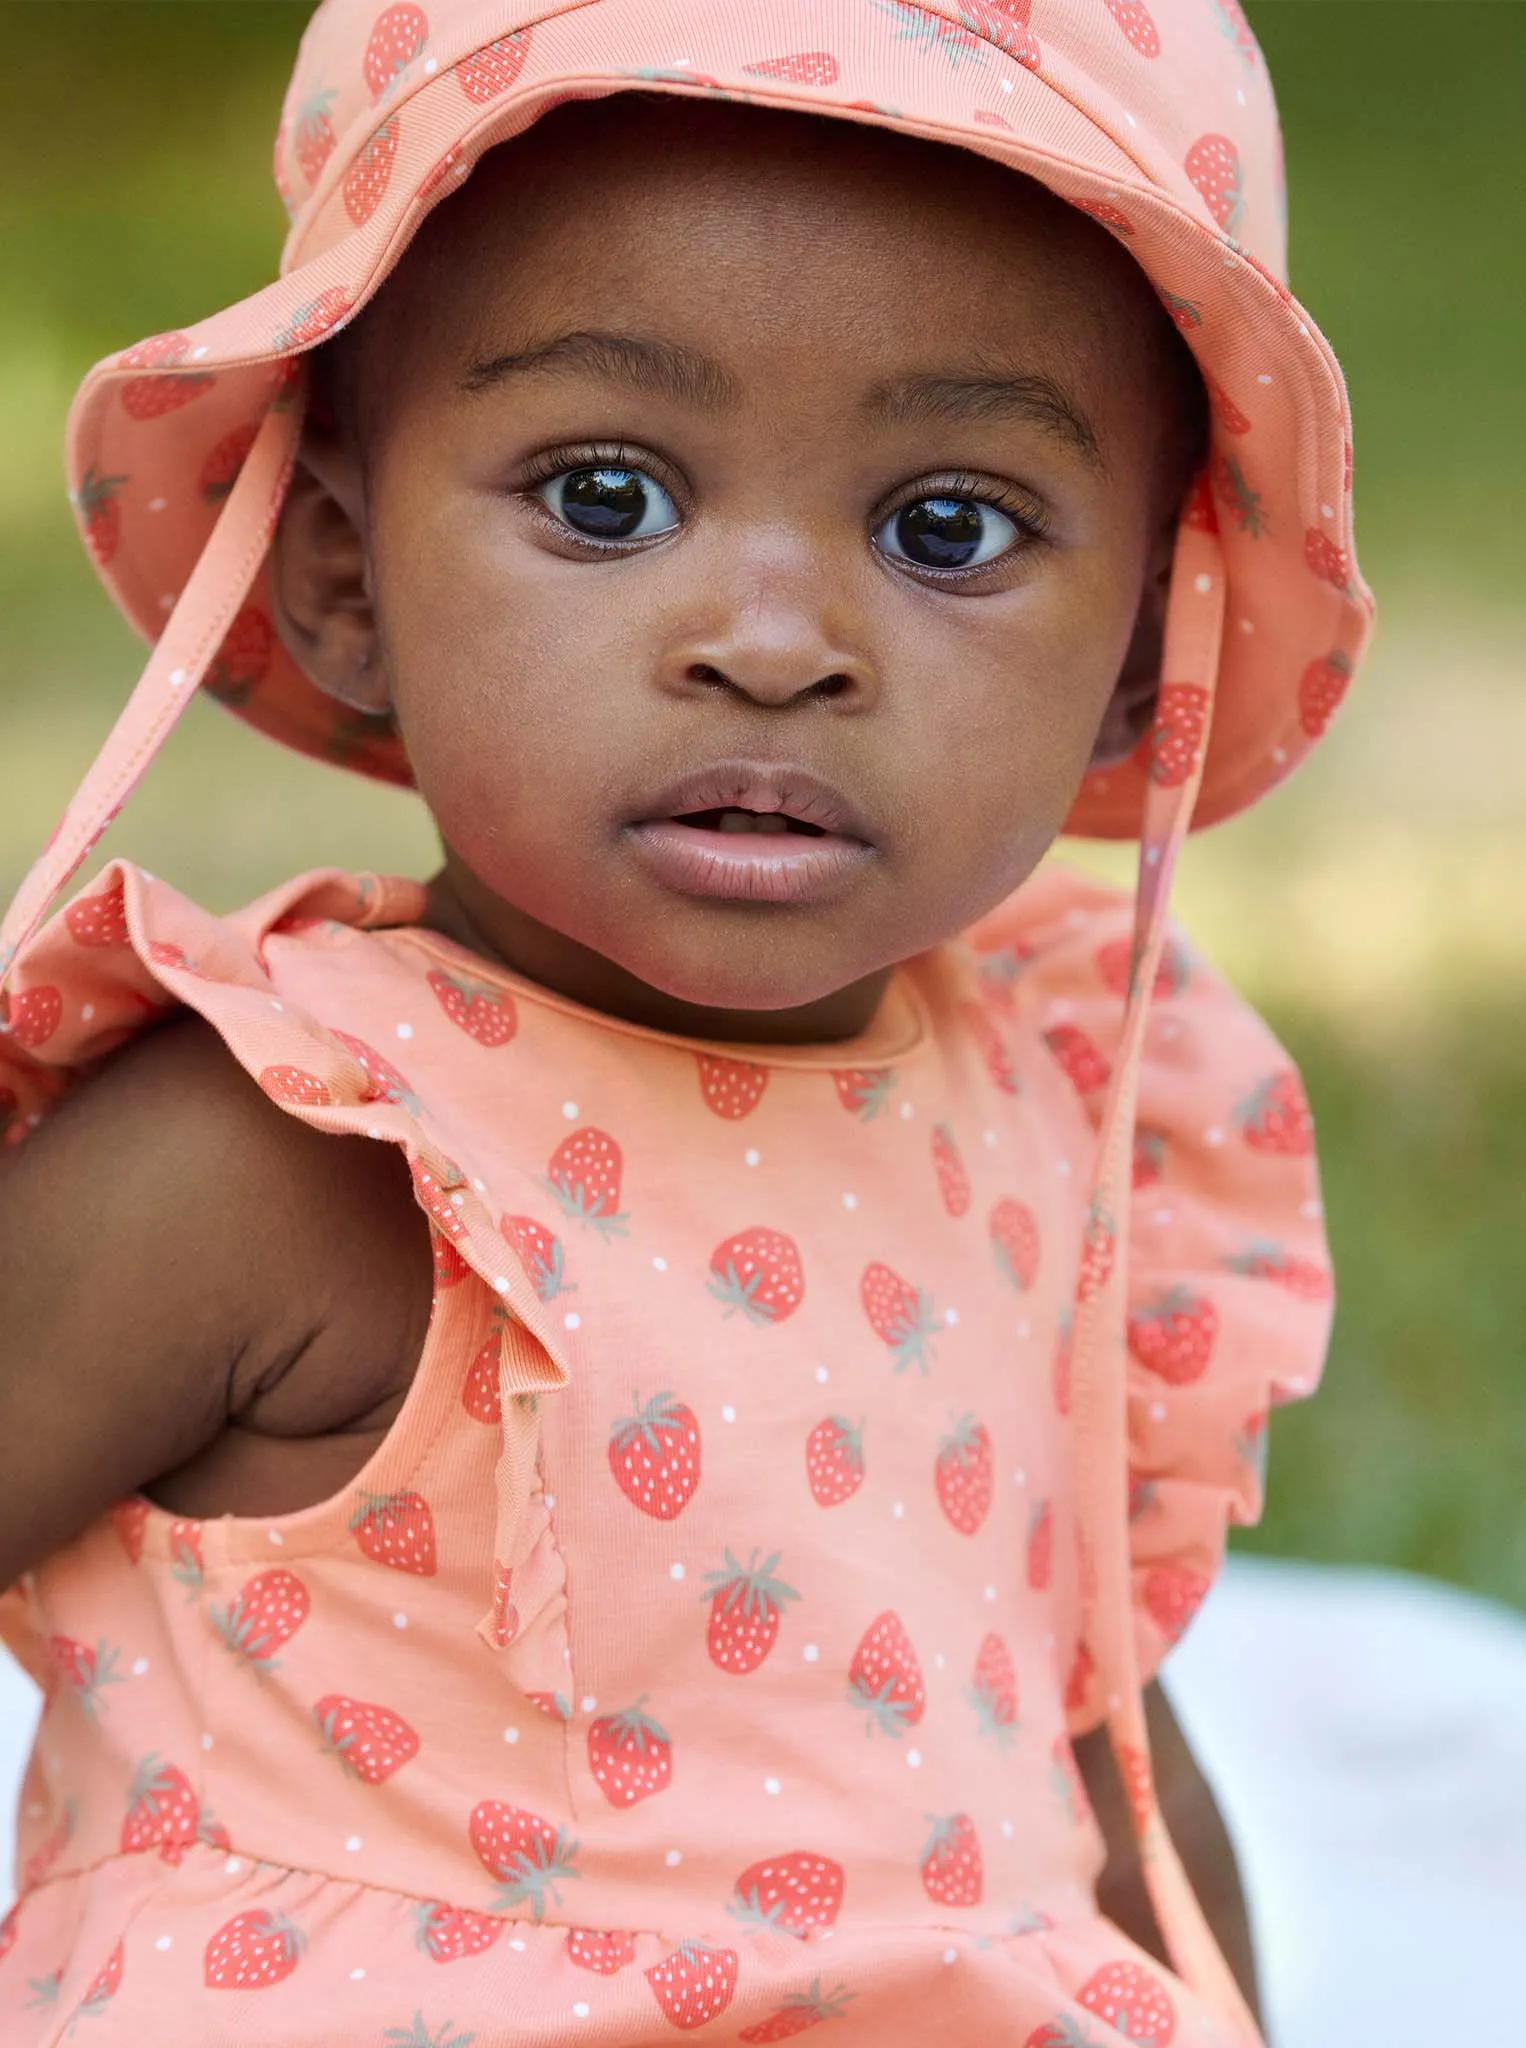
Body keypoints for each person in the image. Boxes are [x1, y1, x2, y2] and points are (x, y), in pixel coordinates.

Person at [0, 2, 1372, 2041]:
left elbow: (1090, 1756)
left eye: (946, 528)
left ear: (1131, 668)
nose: (774, 642)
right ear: (338, 576)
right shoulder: (296, 1142)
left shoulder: (1055, 1112)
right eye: (611, 494)